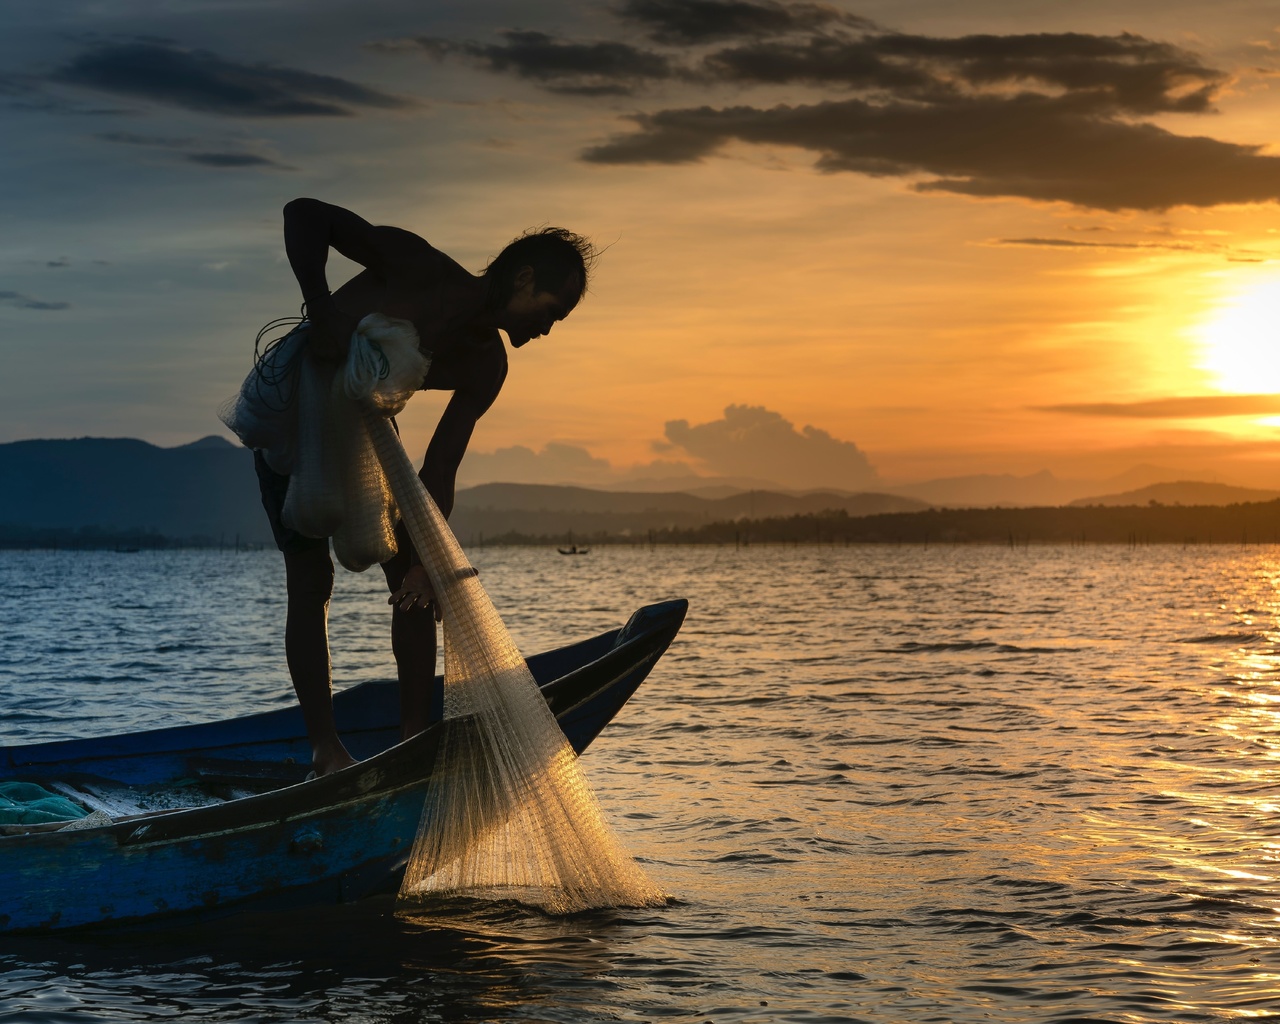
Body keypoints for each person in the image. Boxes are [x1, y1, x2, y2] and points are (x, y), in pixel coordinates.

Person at [257, 198, 592, 776]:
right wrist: (323, 311)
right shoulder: (417, 268)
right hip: (296, 418)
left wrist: (426, 564)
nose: (546, 328)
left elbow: (440, 468)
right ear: (524, 277)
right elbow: (303, 214)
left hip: (363, 438)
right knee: (311, 579)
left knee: (418, 570)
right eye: (550, 310)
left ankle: (414, 737)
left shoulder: (486, 366)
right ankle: (325, 750)